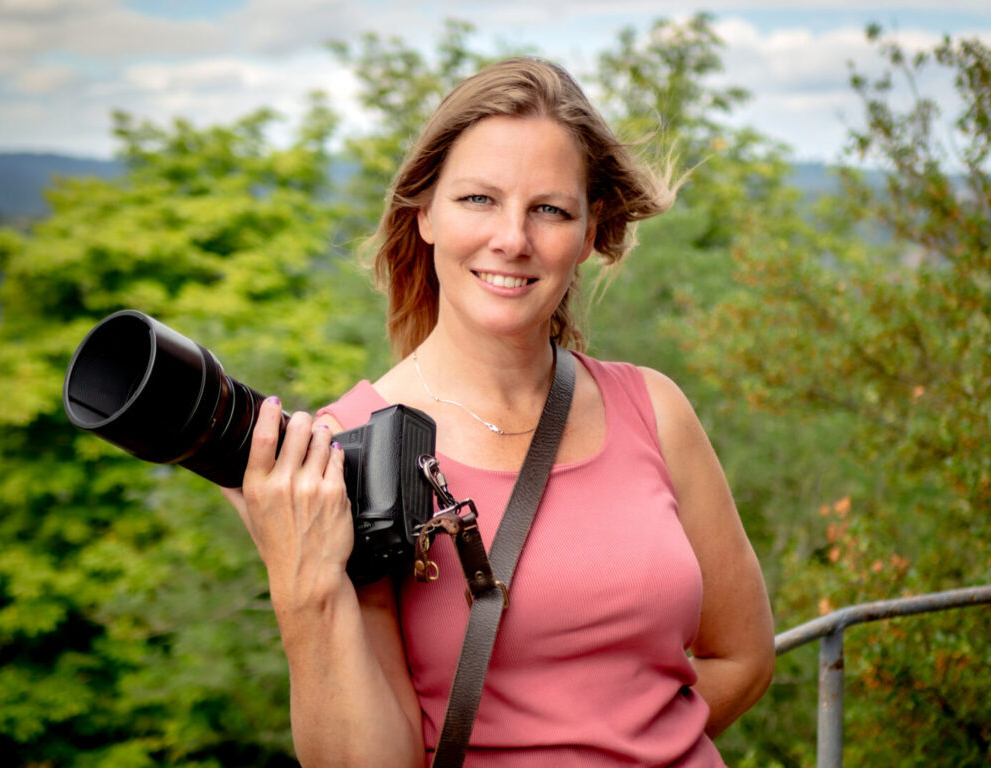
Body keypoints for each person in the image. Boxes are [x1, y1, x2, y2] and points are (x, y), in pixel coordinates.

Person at [223, 57, 774, 767]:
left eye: (549, 209)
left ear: (588, 232)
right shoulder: (348, 450)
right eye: (479, 199)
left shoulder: (654, 409)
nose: (512, 238)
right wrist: (301, 587)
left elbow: (744, 656)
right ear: (422, 213)